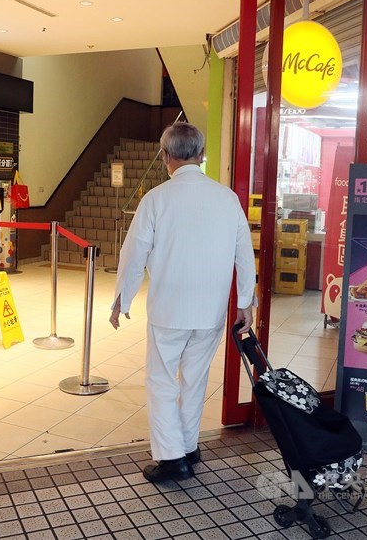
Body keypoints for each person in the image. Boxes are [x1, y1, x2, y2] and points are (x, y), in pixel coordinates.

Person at [109, 122, 256, 483]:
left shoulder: (156, 199)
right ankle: (189, 447)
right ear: (202, 154)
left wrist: (121, 299)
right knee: (195, 379)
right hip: (210, 312)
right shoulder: (227, 198)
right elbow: (244, 254)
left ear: (165, 156)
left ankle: (173, 459)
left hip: (168, 311)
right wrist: (245, 302)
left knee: (161, 381)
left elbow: (133, 255)